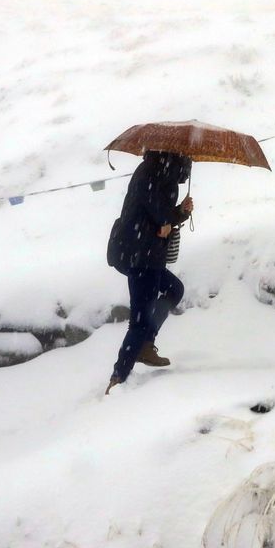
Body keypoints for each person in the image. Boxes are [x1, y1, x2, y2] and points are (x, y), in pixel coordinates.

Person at [105, 150, 194, 394]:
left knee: (174, 290)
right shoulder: (153, 173)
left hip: (144, 253)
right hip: (140, 255)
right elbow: (155, 210)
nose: (189, 167)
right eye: (189, 161)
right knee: (140, 320)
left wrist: (180, 213)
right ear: (179, 158)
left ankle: (145, 345)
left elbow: (158, 213)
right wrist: (168, 219)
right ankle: (118, 378)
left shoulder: (161, 172)